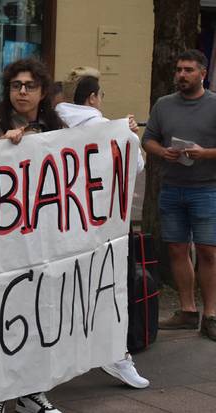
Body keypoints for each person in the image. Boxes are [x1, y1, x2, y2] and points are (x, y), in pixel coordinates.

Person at [0, 58, 65, 413]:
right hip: (5, 241)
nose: (23, 92)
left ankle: (31, 393)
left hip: (45, 240)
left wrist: (120, 135)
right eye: (16, 86)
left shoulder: (58, 128)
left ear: (43, 92)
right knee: (2, 319)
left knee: (39, 316)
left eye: (30, 86)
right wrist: (2, 150)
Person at [56, 68, 149, 389]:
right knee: (107, 289)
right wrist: (129, 135)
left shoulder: (54, 123)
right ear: (93, 98)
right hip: (102, 224)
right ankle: (116, 353)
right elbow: (136, 165)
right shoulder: (108, 129)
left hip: (61, 224)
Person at [142, 49, 216, 341]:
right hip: (172, 187)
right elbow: (148, 139)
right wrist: (162, 152)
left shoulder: (214, 105)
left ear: (202, 74)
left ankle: (211, 314)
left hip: (207, 188)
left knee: (209, 252)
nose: (181, 75)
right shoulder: (164, 105)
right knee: (176, 249)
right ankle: (187, 311)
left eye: (188, 70)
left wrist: (204, 153)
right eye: (178, 70)